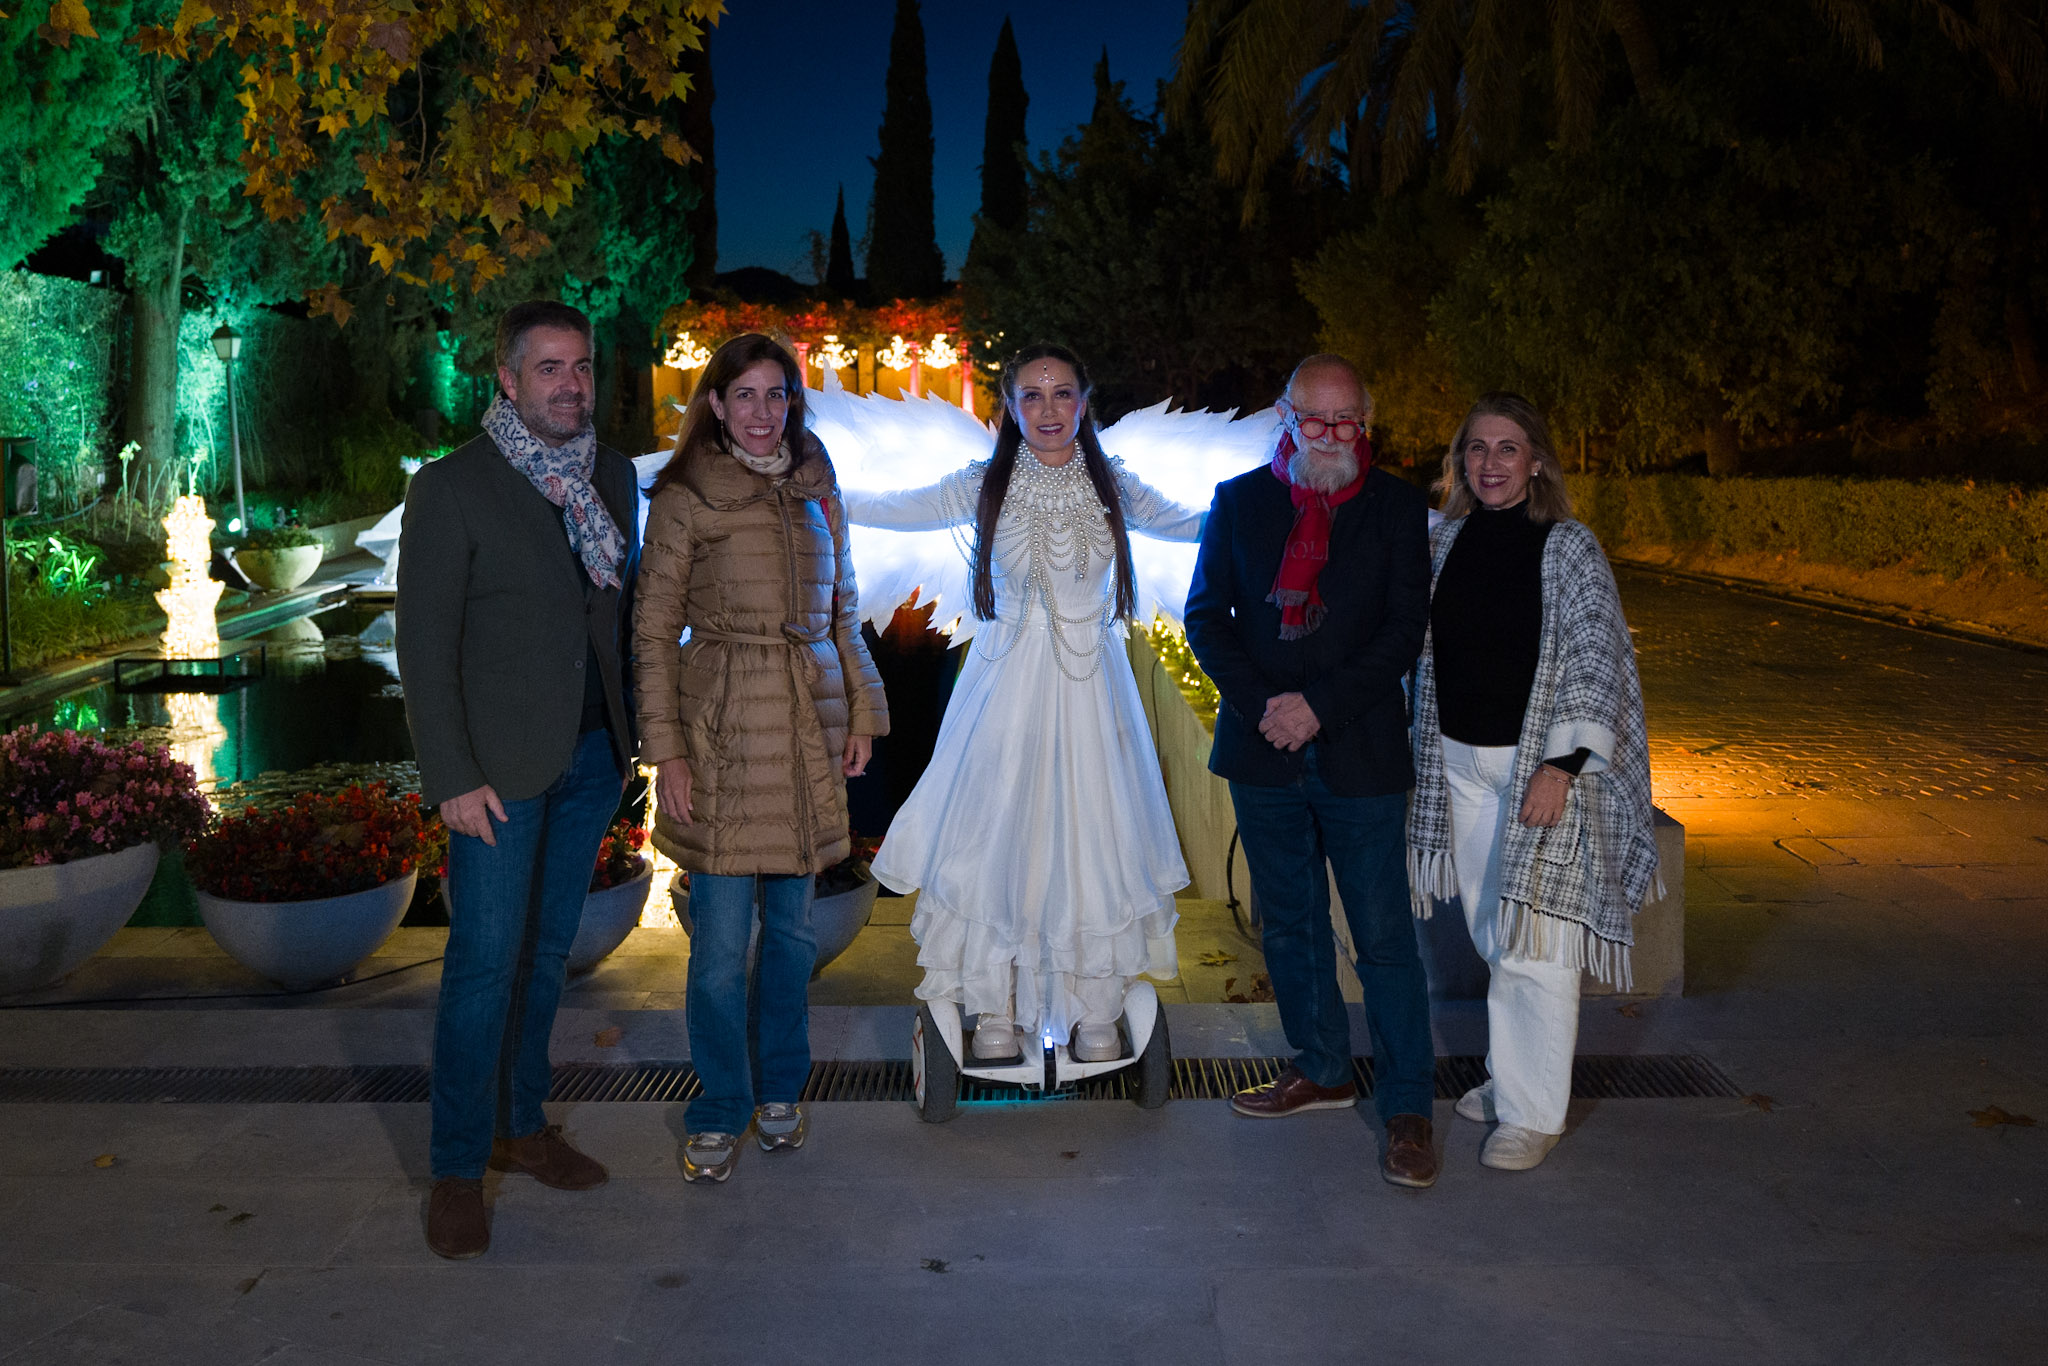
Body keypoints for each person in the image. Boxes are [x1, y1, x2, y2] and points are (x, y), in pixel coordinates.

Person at [842, 344, 1200, 1066]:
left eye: (1062, 393)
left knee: (1093, 841)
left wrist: (1283, 504)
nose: (1047, 409)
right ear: (1009, 405)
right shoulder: (983, 483)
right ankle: (993, 1006)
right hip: (1002, 699)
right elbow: (883, 507)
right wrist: (805, 487)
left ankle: (1096, 1004)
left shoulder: (1116, 487)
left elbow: (1203, 521)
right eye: (1031, 396)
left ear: (1084, 400)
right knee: (994, 840)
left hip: (1095, 700)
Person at [397, 300, 639, 1259]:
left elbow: (614, 622)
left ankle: (521, 1126)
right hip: (495, 776)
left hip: (588, 760)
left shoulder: (610, 474)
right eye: (548, 369)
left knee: (544, 960)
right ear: (506, 379)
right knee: (481, 966)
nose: (571, 384)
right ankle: (457, 1170)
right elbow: (424, 646)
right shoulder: (451, 488)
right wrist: (451, 776)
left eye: (580, 367)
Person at [634, 333, 888, 1183]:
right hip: (724, 729)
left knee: (789, 936)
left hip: (807, 728)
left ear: (793, 404)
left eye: (776, 395)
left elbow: (844, 609)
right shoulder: (684, 496)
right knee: (714, 951)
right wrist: (665, 753)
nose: (760, 411)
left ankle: (780, 1088)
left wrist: (863, 709)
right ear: (714, 403)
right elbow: (651, 632)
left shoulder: (819, 489)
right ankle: (718, 1106)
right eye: (743, 395)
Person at [1184, 354, 1439, 1189]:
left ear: (1366, 423)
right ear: (1285, 420)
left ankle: (1407, 1107)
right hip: (1264, 750)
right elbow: (1205, 619)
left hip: (1361, 751)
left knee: (1383, 940)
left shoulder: (1401, 508)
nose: (1330, 437)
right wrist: (1270, 704)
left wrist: (1316, 707)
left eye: (1347, 423)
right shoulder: (1239, 501)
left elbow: (1402, 632)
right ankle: (1324, 1067)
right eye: (1314, 420)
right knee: (1288, 925)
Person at [1406, 392, 1658, 1171]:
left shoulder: (1569, 547)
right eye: (1476, 449)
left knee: (1536, 943)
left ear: (1537, 459)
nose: (1489, 463)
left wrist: (1562, 766)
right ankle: (1515, 1073)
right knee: (1492, 932)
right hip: (1457, 764)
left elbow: (1596, 659)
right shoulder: (1443, 541)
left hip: (1538, 773)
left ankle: (1532, 1114)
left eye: (1506, 449)